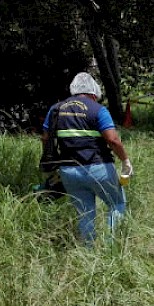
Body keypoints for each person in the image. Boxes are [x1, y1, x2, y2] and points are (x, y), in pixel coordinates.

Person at [43, 72, 132, 244]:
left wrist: (50, 162)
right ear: (94, 93)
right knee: (117, 203)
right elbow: (113, 140)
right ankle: (111, 248)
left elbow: (46, 138)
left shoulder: (55, 109)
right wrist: (125, 161)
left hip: (68, 172)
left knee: (85, 213)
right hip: (98, 168)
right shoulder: (97, 109)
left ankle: (88, 251)